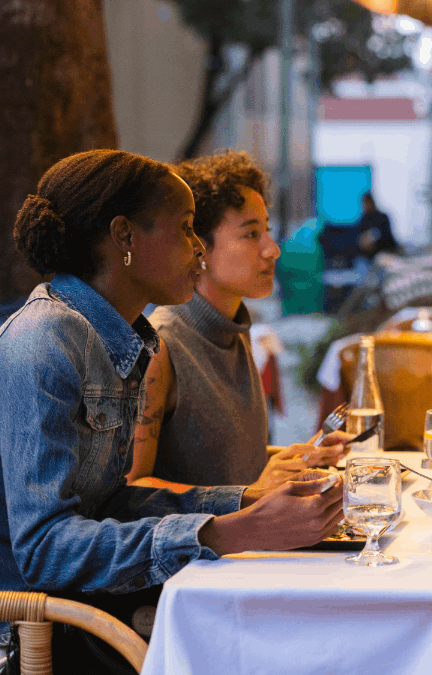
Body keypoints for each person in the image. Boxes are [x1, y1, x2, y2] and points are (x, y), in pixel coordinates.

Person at [0, 150, 344, 674]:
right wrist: (232, 529)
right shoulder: (43, 340)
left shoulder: (115, 340)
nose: (198, 248)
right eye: (186, 229)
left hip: (60, 613)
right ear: (125, 237)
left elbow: (110, 501)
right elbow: (44, 548)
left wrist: (248, 499)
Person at [128, 150, 348, 494]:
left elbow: (230, 467)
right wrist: (249, 495)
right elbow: (133, 488)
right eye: (250, 234)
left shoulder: (235, 331)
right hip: (203, 548)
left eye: (267, 231)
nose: (272, 249)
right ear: (197, 246)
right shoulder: (159, 346)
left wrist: (303, 458)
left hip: (250, 540)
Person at [356, 192, 397, 259]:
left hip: (385, 250)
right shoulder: (364, 220)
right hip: (369, 255)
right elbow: (360, 237)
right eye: (365, 203)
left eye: (369, 202)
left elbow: (387, 236)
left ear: (373, 202)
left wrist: (373, 239)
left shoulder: (382, 217)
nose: (367, 205)